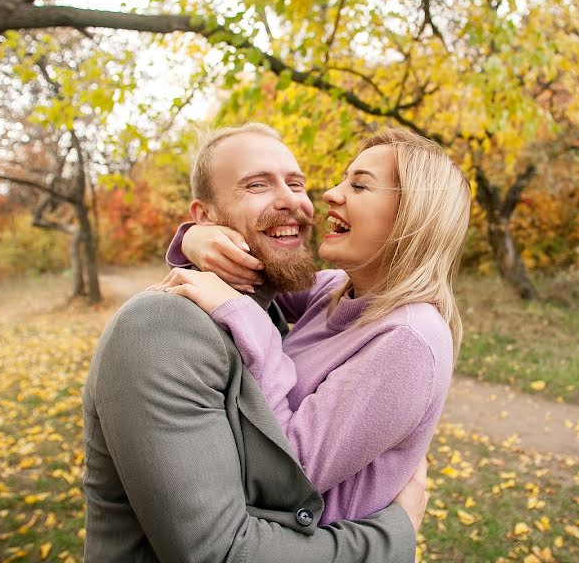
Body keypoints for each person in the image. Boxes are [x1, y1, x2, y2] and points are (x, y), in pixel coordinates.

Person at [82, 123, 427, 563]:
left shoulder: (272, 304)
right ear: (205, 214)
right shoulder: (160, 329)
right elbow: (219, 554)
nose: (291, 199)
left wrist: (190, 237)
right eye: (257, 185)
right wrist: (394, 534)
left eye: (296, 183)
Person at [156, 126, 471, 525]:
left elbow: (293, 473)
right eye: (343, 179)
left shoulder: (409, 338)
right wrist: (195, 237)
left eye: (359, 186)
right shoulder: (336, 291)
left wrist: (242, 314)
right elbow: (261, 267)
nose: (330, 194)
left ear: (412, 216)